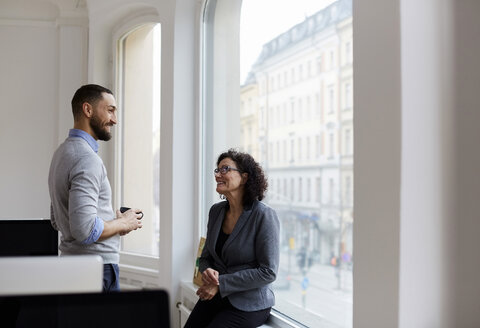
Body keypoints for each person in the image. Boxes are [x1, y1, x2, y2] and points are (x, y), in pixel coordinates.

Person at [48, 84, 143, 292]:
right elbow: (85, 229)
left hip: (73, 269)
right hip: (96, 270)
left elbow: (58, 221)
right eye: (110, 110)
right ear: (87, 110)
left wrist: (114, 224)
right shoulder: (87, 159)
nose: (114, 120)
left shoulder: (61, 154)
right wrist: (122, 223)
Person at [184, 149, 280, 328]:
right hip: (216, 295)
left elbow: (268, 272)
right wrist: (208, 272)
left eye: (225, 169)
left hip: (249, 304)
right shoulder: (216, 211)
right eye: (217, 170)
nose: (218, 175)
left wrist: (220, 283)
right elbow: (205, 258)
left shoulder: (264, 215)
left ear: (244, 178)